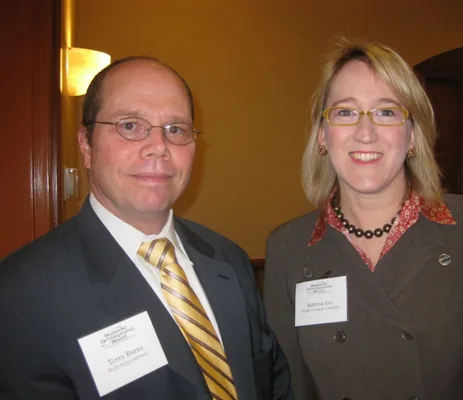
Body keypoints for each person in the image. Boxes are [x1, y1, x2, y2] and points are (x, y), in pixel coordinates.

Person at [0, 56, 293, 400]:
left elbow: (273, 385)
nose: (159, 147)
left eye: (176, 129)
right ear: (86, 144)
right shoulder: (20, 295)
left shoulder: (229, 258)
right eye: (130, 125)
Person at [263, 39, 463, 400]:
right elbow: (289, 388)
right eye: (345, 112)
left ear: (413, 136)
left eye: (387, 112)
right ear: (322, 135)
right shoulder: (288, 247)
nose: (365, 132)